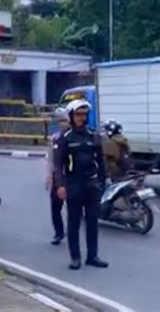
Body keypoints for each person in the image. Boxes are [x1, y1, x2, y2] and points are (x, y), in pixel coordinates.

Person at [54, 99, 108, 270]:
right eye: (78, 114)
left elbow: (101, 160)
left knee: (92, 222)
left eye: (84, 114)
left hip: (91, 185)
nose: (81, 118)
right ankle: (75, 257)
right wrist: (60, 185)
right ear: (71, 116)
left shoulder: (93, 136)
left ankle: (92, 256)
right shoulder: (65, 138)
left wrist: (102, 181)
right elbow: (58, 164)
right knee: (74, 222)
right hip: (73, 184)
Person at [45, 107, 70, 245]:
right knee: (55, 207)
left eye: (64, 120)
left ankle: (72, 233)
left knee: (73, 209)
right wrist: (49, 176)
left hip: (72, 177)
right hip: (58, 177)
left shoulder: (73, 137)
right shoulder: (54, 139)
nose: (62, 123)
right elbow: (51, 159)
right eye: (59, 121)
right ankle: (59, 232)